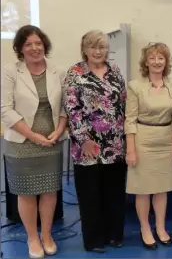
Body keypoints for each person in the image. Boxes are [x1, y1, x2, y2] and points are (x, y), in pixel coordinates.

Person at [1, 25, 66, 258]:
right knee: (26, 193)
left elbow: (66, 107)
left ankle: (47, 235)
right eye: (28, 44)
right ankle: (32, 238)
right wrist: (33, 136)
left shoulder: (58, 70)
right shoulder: (10, 71)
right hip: (22, 142)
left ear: (44, 45)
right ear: (20, 48)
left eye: (38, 43)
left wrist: (59, 130)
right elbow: (5, 109)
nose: (34, 48)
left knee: (49, 192)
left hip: (51, 141)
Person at [63, 30, 128, 253]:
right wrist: (84, 139)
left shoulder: (115, 70)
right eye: (93, 47)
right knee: (90, 195)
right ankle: (94, 240)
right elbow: (72, 109)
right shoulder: (75, 72)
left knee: (114, 194)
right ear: (85, 49)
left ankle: (114, 235)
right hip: (87, 147)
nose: (98, 51)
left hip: (115, 145)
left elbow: (122, 104)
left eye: (101, 46)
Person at [125, 42, 172, 250]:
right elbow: (129, 119)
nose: (157, 62)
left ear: (166, 62)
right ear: (146, 62)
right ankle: (145, 228)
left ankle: (160, 227)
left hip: (165, 140)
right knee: (143, 190)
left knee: (161, 189)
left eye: (161, 58)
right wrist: (130, 149)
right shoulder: (135, 86)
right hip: (143, 140)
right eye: (153, 58)